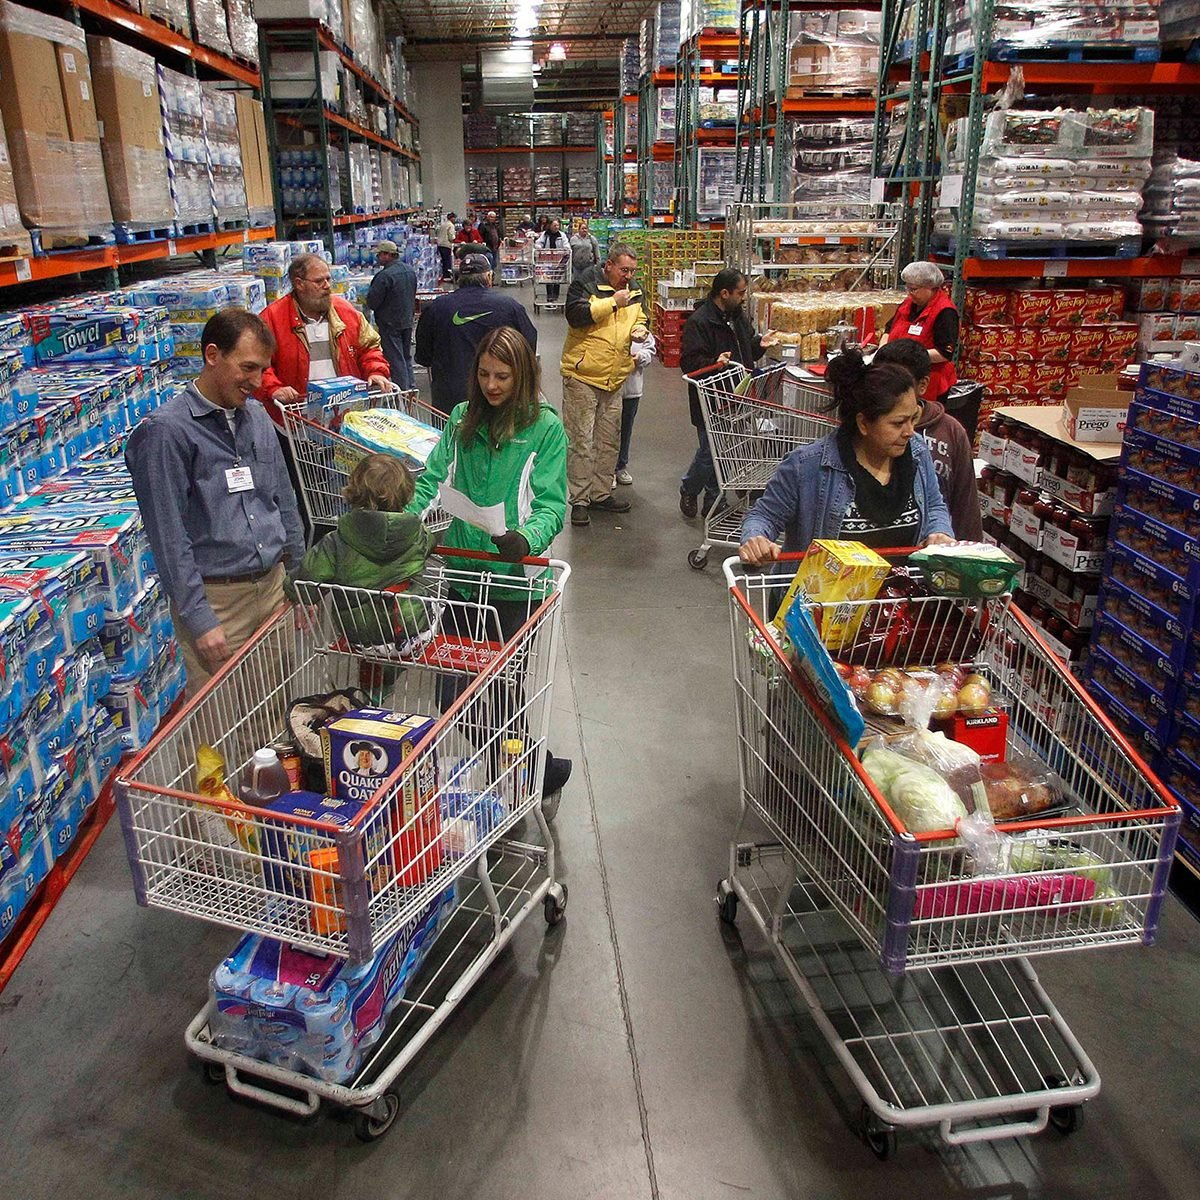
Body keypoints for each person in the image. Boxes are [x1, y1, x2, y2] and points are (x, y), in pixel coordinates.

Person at [407, 325, 572, 800]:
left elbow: (551, 503)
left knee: (499, 693)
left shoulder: (545, 428)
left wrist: (527, 538)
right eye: (484, 374)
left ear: (523, 376)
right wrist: (401, 523)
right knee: (453, 694)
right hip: (463, 576)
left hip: (516, 585)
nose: (492, 385)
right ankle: (538, 770)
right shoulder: (463, 418)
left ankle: (523, 775)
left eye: (503, 376)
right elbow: (432, 480)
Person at [125, 308, 305, 692]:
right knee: (220, 717)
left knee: (276, 707)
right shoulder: (165, 433)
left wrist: (299, 579)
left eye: (263, 370)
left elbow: (284, 500)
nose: (257, 381)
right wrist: (200, 619)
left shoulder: (258, 417)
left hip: (273, 589)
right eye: (248, 367)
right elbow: (168, 536)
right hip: (218, 601)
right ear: (212, 355)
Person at [739, 349, 954, 565]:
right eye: (898, 423)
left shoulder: (917, 452)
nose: (909, 432)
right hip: (825, 587)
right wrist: (756, 539)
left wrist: (939, 532)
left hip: (901, 586)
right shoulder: (807, 466)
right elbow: (764, 516)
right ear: (863, 423)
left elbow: (934, 506)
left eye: (913, 419)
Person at [286, 453, 434, 646]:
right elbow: (429, 546)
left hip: (362, 635)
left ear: (354, 489)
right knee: (431, 607)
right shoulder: (417, 533)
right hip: (412, 628)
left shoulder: (336, 541)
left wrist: (296, 592)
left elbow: (306, 578)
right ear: (407, 492)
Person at [678, 268, 779, 519]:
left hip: (739, 394)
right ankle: (690, 488)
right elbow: (689, 363)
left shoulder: (737, 317)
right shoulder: (699, 322)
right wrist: (715, 362)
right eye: (740, 293)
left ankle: (713, 501)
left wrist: (759, 345)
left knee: (724, 452)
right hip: (711, 398)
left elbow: (746, 351)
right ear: (724, 293)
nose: (744, 298)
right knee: (710, 452)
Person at [560, 240, 646, 527]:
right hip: (582, 377)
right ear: (608, 265)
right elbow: (575, 316)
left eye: (632, 271)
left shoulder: (635, 290)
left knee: (609, 441)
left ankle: (600, 494)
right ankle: (580, 500)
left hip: (614, 379)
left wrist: (640, 329)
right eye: (624, 270)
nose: (628, 276)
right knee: (581, 441)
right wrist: (612, 303)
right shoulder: (585, 283)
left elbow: (640, 316)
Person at [257, 252, 390, 428]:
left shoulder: (346, 312)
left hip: (346, 418)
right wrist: (273, 388)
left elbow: (369, 348)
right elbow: (258, 365)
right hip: (296, 422)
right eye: (319, 281)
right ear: (299, 284)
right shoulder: (272, 319)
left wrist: (376, 372)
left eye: (328, 279)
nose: (327, 286)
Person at [872, 338, 983, 541]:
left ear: (922, 385)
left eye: (899, 384)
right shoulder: (870, 429)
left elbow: (964, 502)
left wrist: (968, 549)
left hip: (929, 547)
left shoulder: (951, 431)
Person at [414, 251, 537, 417]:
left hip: (450, 399)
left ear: (459, 279)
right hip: (500, 397)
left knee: (452, 432)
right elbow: (528, 348)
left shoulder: (436, 308)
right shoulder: (509, 307)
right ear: (488, 277)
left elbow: (423, 356)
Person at [880, 261, 959, 405]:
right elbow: (888, 329)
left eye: (914, 289)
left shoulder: (945, 312)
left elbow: (944, 353)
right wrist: (883, 350)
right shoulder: (908, 303)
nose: (909, 293)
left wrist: (907, 356)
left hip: (928, 381)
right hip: (900, 375)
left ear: (931, 287)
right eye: (908, 288)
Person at [366, 239, 417, 390]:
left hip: (390, 323)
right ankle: (411, 388)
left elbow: (373, 302)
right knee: (406, 356)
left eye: (379, 255)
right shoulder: (409, 271)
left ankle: (402, 391)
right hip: (407, 320)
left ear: (387, 255)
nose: (377, 258)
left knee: (395, 359)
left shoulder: (384, 276)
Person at [616, 324, 655, 487]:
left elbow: (650, 350)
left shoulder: (639, 326)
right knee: (606, 430)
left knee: (626, 429)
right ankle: (605, 470)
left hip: (632, 389)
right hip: (609, 387)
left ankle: (620, 466)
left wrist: (640, 357)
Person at [535, 218, 569, 303]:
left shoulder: (562, 235)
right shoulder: (545, 234)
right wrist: (539, 247)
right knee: (548, 279)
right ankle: (549, 298)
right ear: (550, 226)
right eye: (554, 225)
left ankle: (556, 297)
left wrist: (566, 249)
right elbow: (539, 243)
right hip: (547, 260)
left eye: (557, 225)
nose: (556, 227)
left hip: (559, 261)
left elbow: (566, 244)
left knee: (558, 279)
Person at [437, 211, 456, 279]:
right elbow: (451, 237)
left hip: (440, 244)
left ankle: (443, 275)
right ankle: (447, 276)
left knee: (443, 261)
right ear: (452, 218)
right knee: (447, 261)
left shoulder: (443, 224)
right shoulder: (451, 225)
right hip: (446, 244)